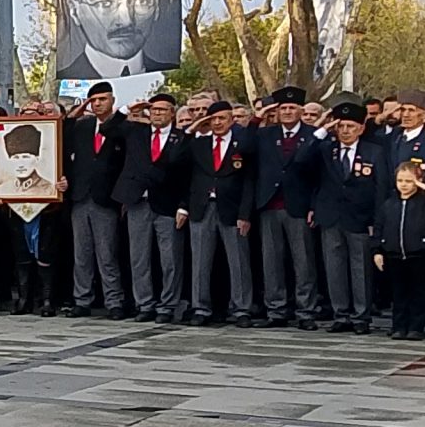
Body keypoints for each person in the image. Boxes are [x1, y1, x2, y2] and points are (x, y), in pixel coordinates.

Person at [114, 93, 192, 324]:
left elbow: (189, 177)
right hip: (138, 202)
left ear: (172, 113)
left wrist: (183, 206)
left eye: (163, 110)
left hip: (168, 205)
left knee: (170, 259)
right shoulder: (137, 132)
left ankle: (167, 305)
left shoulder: (183, 138)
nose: (157, 113)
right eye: (154, 110)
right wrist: (128, 107)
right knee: (139, 258)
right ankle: (145, 304)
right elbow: (109, 128)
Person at [307, 101, 383, 334]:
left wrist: (376, 223)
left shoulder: (374, 151)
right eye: (341, 126)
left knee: (360, 269)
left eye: (351, 126)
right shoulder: (326, 148)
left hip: (360, 218)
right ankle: (341, 314)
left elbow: (381, 189)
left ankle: (361, 316)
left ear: (361, 128)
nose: (345, 131)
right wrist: (321, 129)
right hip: (331, 217)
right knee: (334, 267)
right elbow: (301, 159)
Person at [248, 86, 320, 329]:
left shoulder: (313, 134)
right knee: (272, 262)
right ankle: (276, 310)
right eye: (283, 108)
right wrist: (258, 117)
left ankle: (306, 311)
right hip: (270, 204)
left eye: (292, 108)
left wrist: (314, 205)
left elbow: (320, 175)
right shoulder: (265, 134)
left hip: (298, 205)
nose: (288, 112)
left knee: (303, 263)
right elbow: (245, 148)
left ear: (301, 110)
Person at [185, 100, 256, 326]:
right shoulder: (200, 144)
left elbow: (249, 181)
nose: (217, 123)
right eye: (213, 119)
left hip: (232, 209)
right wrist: (194, 127)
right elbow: (176, 159)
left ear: (231, 120)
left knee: (238, 261)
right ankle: (200, 308)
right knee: (200, 261)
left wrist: (245, 214)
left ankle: (241, 308)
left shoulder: (241, 144)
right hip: (202, 207)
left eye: (222, 118)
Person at [62, 82, 128, 318]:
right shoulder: (83, 127)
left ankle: (114, 300)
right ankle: (82, 299)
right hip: (81, 196)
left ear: (112, 100)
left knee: (107, 253)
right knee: (82, 254)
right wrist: (74, 115)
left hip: (106, 198)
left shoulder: (122, 125)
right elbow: (61, 136)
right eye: (94, 100)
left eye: (102, 99)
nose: (98, 104)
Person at [374, 158, 425, 341]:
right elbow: (379, 226)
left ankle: (416, 327)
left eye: (409, 181)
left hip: (419, 253)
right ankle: (399, 326)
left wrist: (424, 187)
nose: (404, 185)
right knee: (399, 293)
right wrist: (377, 250)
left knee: (418, 292)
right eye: (401, 181)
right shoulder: (389, 203)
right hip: (394, 253)